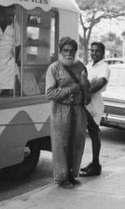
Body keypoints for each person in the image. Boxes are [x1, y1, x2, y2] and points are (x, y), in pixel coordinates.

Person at [46, 37, 90, 189]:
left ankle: (72, 174)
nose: (69, 53)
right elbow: (50, 94)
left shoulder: (81, 66)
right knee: (61, 144)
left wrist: (85, 86)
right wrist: (72, 89)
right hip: (60, 110)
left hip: (78, 109)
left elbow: (87, 93)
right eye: (66, 50)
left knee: (77, 143)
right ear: (60, 51)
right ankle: (62, 178)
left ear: (76, 51)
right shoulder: (54, 68)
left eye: (72, 50)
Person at [80, 42, 111, 177]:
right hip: (86, 102)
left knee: (94, 133)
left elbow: (100, 83)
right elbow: (83, 81)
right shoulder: (88, 66)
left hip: (95, 104)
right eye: (92, 51)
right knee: (90, 133)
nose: (94, 53)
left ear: (103, 53)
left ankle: (96, 165)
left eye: (97, 51)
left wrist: (86, 91)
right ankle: (93, 164)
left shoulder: (104, 67)